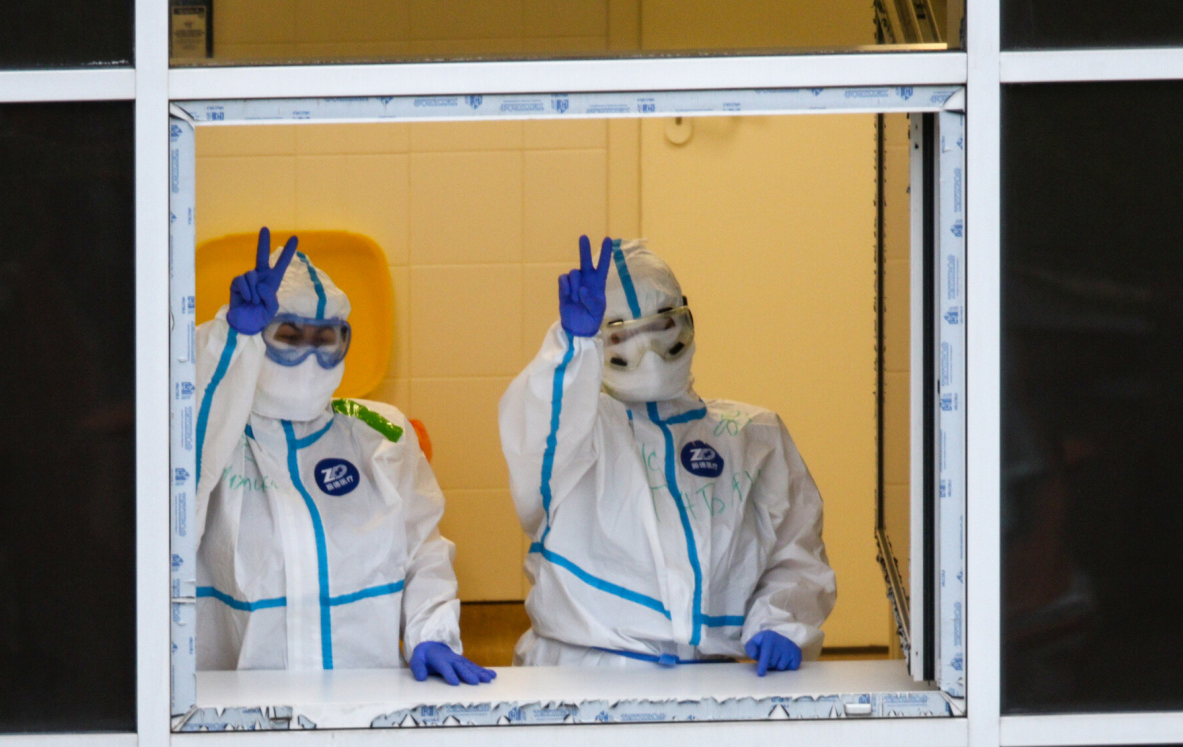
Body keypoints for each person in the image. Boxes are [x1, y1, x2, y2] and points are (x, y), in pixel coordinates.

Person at [500, 236, 836, 673]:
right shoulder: (581, 430)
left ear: (686, 321)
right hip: (583, 673)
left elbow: (796, 550)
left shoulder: (752, 437)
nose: (649, 355)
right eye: (623, 337)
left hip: (713, 676)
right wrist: (572, 349)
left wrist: (780, 620)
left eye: (662, 329)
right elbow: (538, 439)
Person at [195, 227, 494, 685]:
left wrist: (430, 631)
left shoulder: (381, 435)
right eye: (289, 337)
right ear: (258, 337)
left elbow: (422, 550)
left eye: (325, 339)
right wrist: (229, 341)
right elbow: (177, 483)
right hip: (242, 709)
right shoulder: (216, 438)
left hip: (364, 704)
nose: (309, 355)